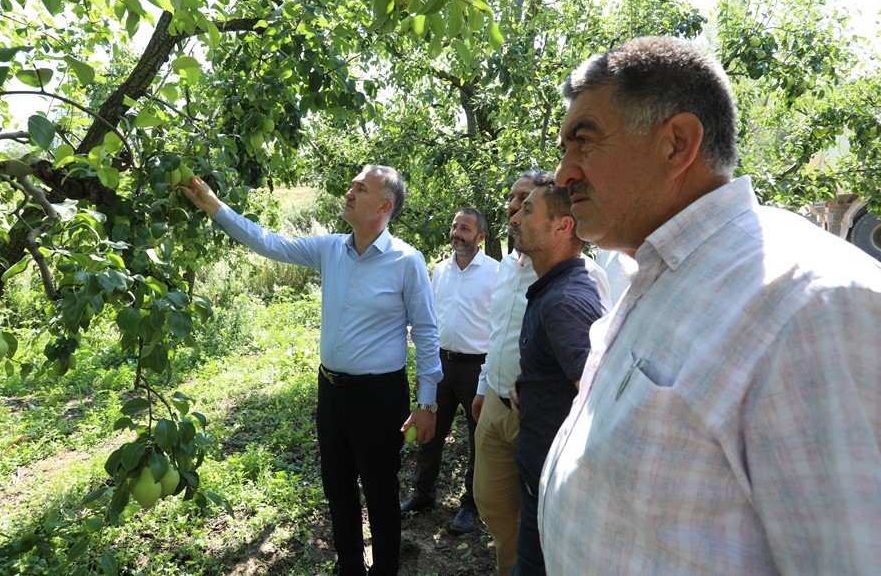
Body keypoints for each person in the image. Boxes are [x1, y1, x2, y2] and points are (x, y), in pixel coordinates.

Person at [538, 35, 881, 574]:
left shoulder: (815, 307)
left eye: (583, 142)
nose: (564, 173)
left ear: (677, 143)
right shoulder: (658, 270)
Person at [182, 165, 442, 576]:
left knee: (380, 492)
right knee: (337, 488)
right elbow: (270, 242)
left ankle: (386, 568)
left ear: (385, 205)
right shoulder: (330, 248)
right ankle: (351, 567)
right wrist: (215, 207)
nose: (350, 192)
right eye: (352, 185)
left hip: (379, 397)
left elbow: (427, 333)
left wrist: (427, 403)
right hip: (332, 392)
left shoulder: (406, 261)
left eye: (361, 188)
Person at [471, 170, 609, 576]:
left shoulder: (570, 293)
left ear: (563, 225)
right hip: (499, 406)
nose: (513, 215)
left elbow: (598, 391)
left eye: (526, 206)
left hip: (545, 433)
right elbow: (496, 335)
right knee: (495, 505)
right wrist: (489, 386)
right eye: (514, 204)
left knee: (540, 529)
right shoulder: (511, 270)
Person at [400, 208, 499, 534]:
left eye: (465, 228)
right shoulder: (440, 270)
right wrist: (424, 367)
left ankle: (470, 505)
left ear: (481, 236)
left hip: (477, 369)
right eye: (455, 226)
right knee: (430, 431)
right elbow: (428, 322)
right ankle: (423, 493)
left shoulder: (497, 273)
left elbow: (499, 327)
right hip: (440, 365)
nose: (457, 233)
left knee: (478, 440)